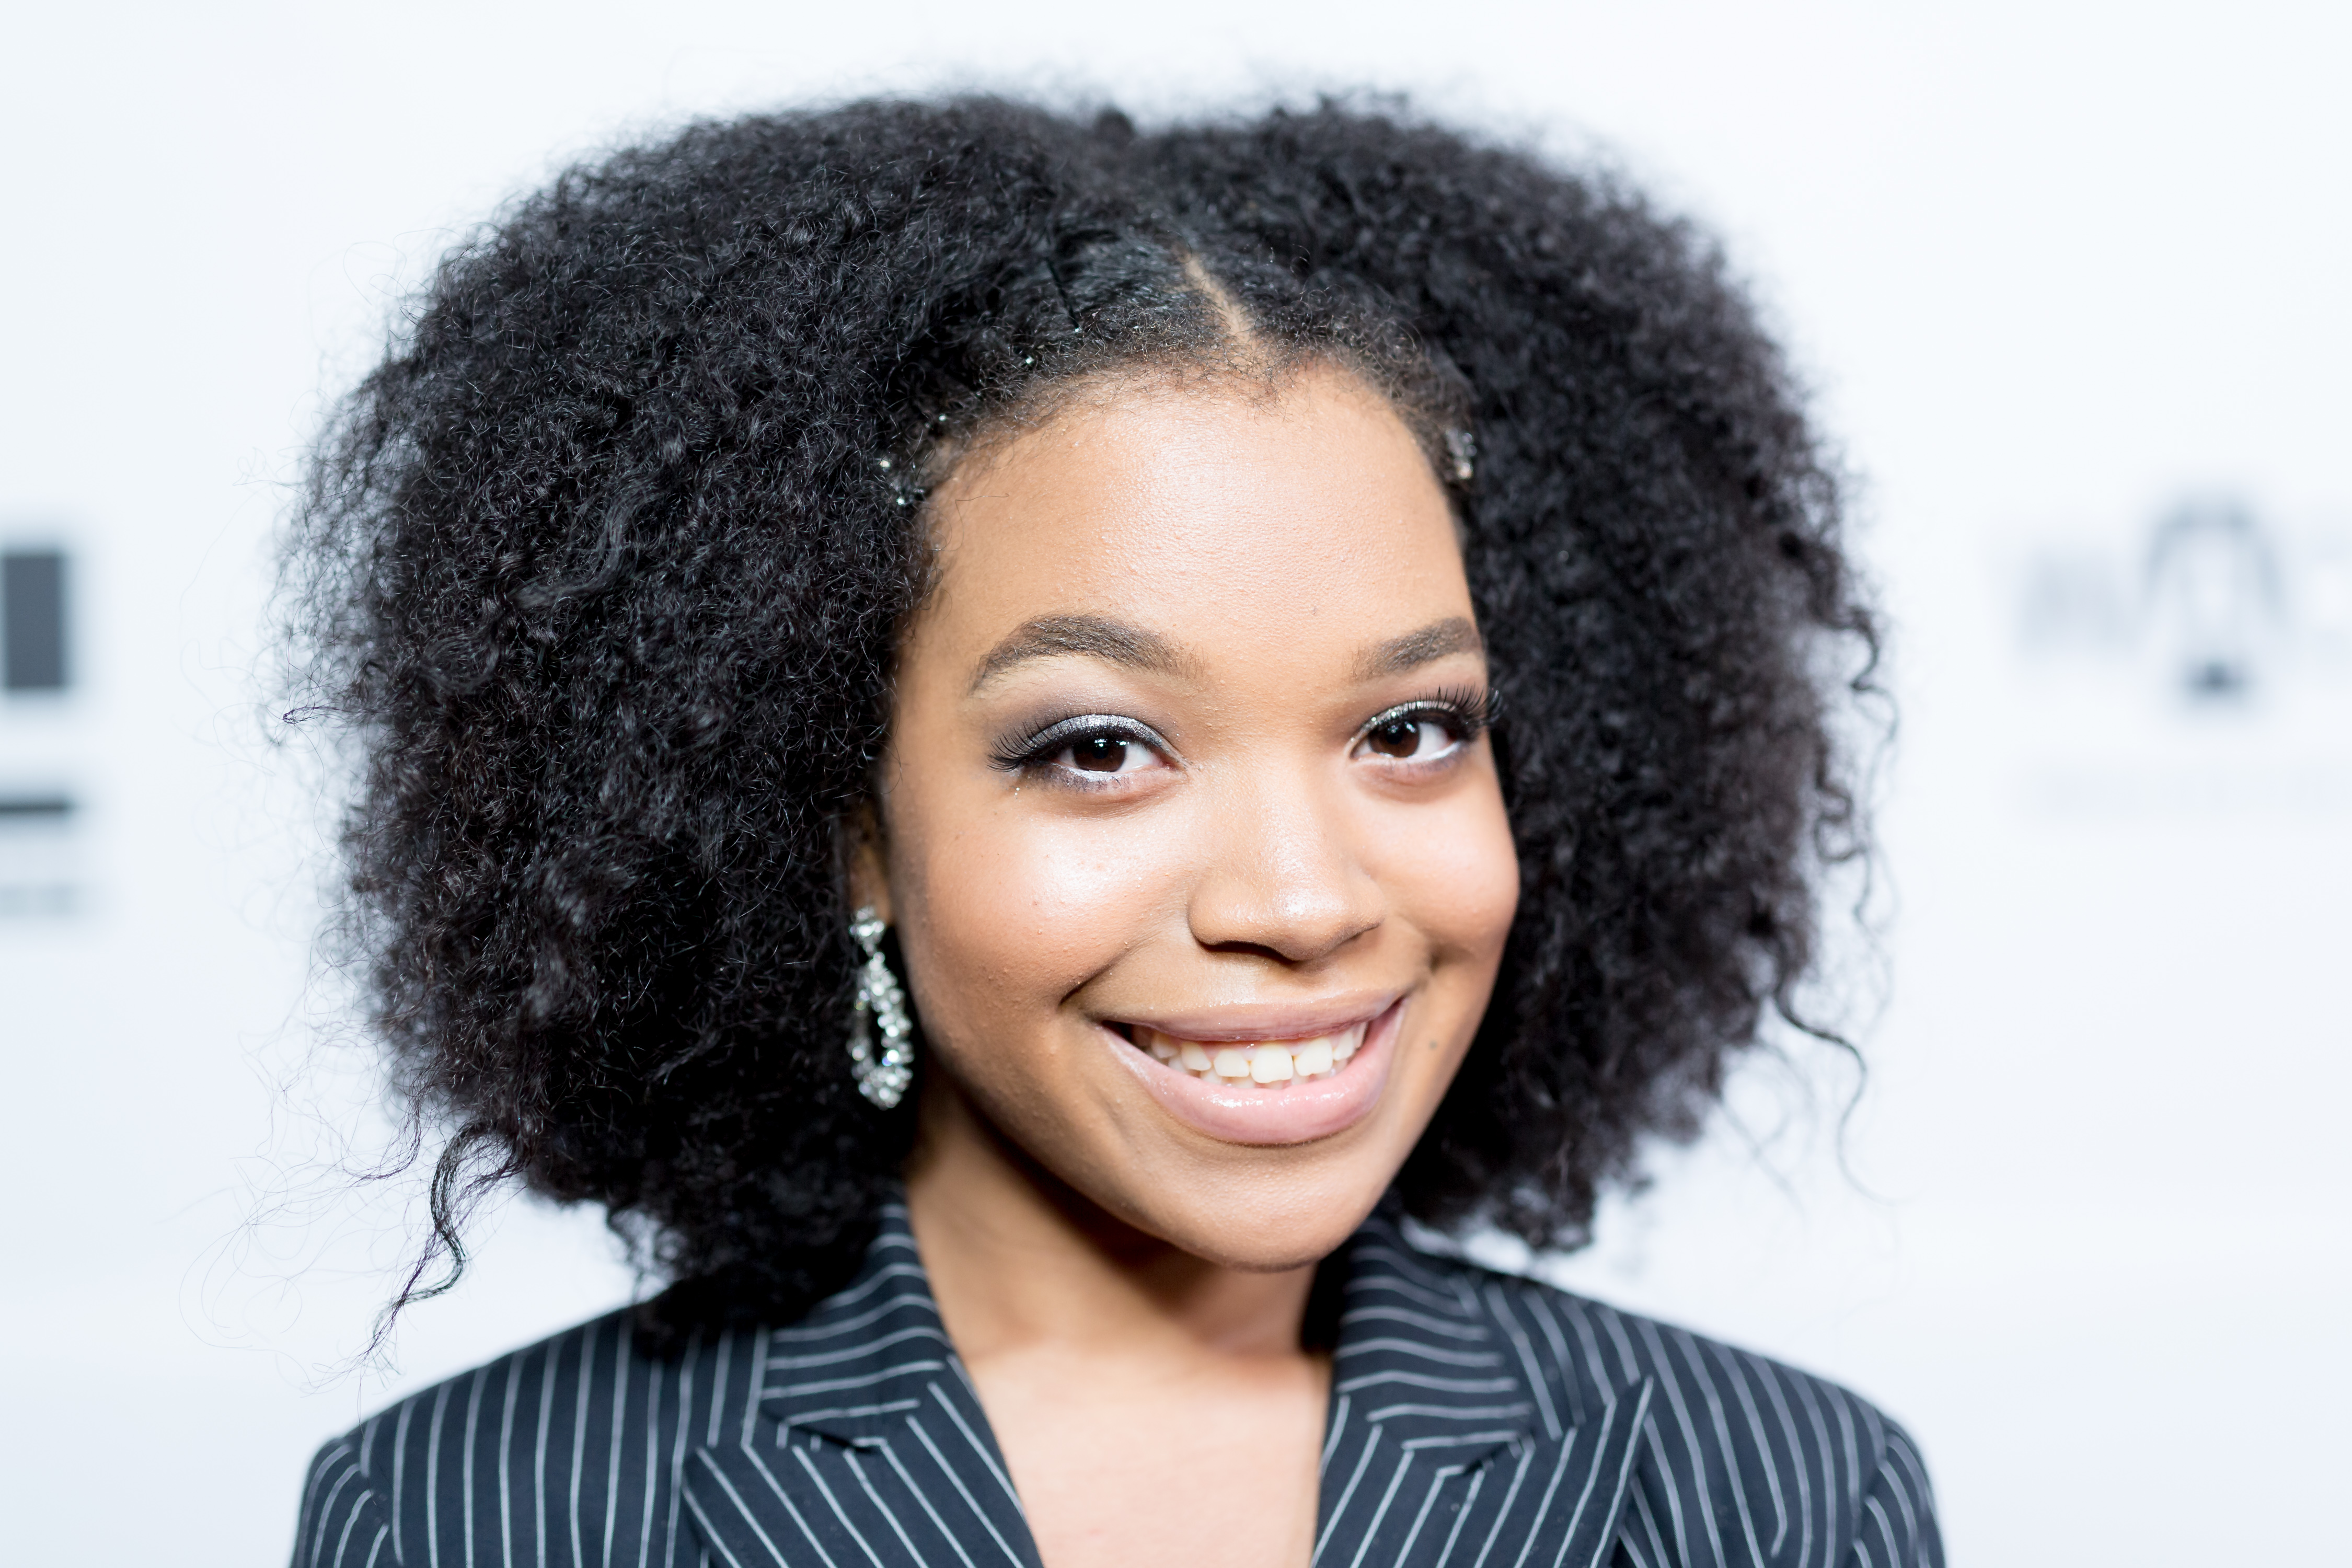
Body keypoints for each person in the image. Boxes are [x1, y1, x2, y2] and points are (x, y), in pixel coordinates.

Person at [282, 96, 1939, 1568]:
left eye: (1410, 731)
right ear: (840, 823)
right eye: (1099, 750)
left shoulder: (1771, 1501)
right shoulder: (484, 1520)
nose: (1298, 899)